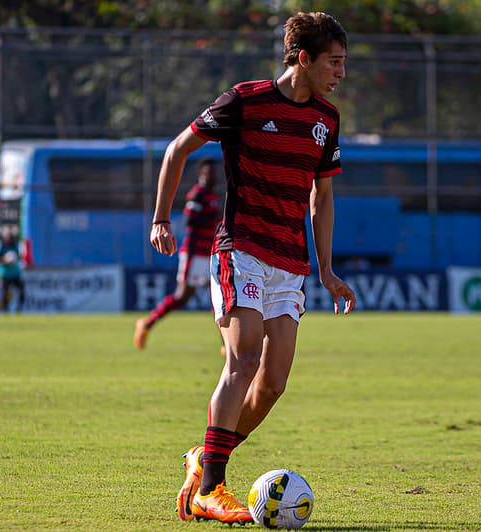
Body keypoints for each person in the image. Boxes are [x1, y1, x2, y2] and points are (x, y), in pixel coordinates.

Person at [149, 12, 356, 524]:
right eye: (334, 62)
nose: (341, 72)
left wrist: (326, 269)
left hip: (290, 264)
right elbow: (178, 148)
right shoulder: (245, 100)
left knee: (272, 383)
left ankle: (206, 457)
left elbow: (322, 196)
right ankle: (211, 489)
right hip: (239, 250)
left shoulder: (326, 120)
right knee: (242, 359)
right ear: (303, 58)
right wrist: (161, 219)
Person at [134, 158, 221, 350]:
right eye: (209, 172)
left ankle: (227, 344)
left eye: (214, 173)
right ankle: (146, 324)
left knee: (218, 296)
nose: (213, 176)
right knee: (182, 296)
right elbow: (190, 220)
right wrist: (212, 216)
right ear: (201, 175)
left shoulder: (213, 196)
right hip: (194, 253)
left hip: (210, 253)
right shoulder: (197, 194)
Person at [0, 227, 26, 312]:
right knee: (4, 293)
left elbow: (19, 258)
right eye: (7, 237)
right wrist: (6, 260)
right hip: (5, 274)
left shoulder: (15, 247)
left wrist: (17, 259)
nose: (8, 239)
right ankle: (5, 310)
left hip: (15, 274)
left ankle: (19, 309)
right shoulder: (2, 247)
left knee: (22, 290)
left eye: (10, 237)